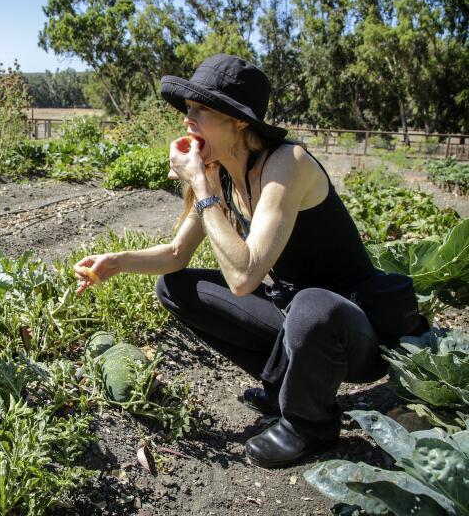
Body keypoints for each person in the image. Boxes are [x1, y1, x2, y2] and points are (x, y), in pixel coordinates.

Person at [74, 54, 424, 468]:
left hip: (352, 330)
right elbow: (175, 255)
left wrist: (200, 184)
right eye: (187, 108)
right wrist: (116, 262)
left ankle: (309, 425)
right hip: (294, 315)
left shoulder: (286, 164)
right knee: (175, 288)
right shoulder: (222, 173)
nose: (188, 119)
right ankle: (287, 386)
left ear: (239, 121)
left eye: (200, 109)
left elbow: (243, 276)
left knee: (314, 305)